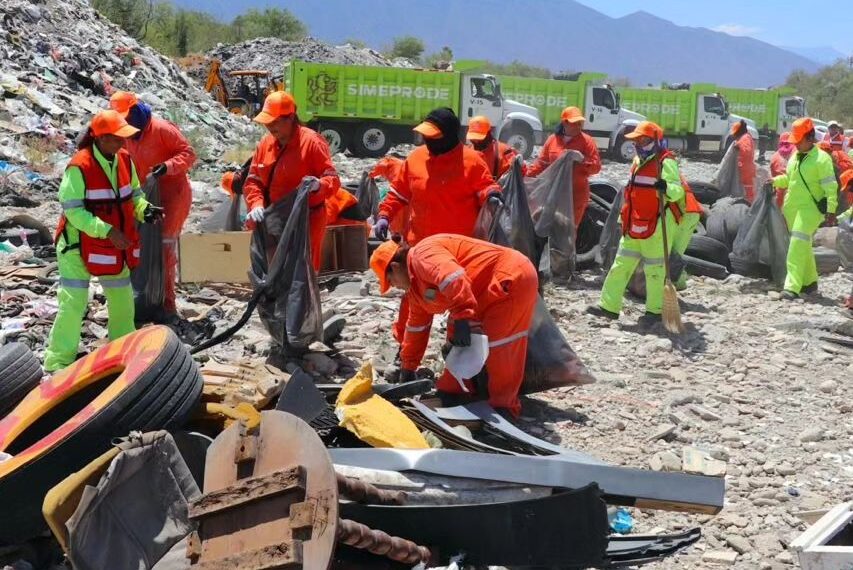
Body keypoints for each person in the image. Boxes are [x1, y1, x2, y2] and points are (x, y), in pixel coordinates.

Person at [374, 107, 501, 359]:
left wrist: (492, 195)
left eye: (433, 137)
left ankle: (456, 357)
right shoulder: (415, 159)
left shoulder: (472, 161)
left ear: (449, 136)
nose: (428, 141)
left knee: (460, 302)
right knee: (413, 306)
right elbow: (398, 193)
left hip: (457, 255)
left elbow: (486, 186)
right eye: (426, 136)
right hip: (418, 252)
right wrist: (384, 215)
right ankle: (404, 352)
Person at [43, 111, 162, 372]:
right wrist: (107, 230)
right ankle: (57, 362)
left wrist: (145, 210)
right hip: (76, 246)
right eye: (117, 138)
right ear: (100, 138)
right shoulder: (80, 166)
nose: (122, 142)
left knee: (122, 301)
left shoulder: (124, 160)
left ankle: (123, 356)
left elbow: (134, 196)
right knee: (74, 303)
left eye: (123, 137)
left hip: (110, 246)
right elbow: (73, 211)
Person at [370, 235, 538, 417]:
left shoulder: (423, 256)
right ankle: (455, 390)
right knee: (456, 333)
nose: (394, 286)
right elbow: (417, 327)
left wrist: (463, 316)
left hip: (510, 276)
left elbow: (454, 278)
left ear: (395, 267)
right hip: (479, 291)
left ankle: (504, 407)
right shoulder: (415, 286)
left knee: (500, 344)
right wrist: (408, 367)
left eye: (391, 281)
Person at [109, 91, 196, 323]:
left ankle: (167, 305)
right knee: (140, 246)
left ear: (136, 110)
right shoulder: (126, 136)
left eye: (127, 117)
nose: (125, 122)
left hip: (173, 196)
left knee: (164, 249)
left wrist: (167, 166)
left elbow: (188, 154)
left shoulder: (162, 129)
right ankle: (144, 300)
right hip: (143, 198)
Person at [587, 121, 685, 323]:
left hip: (656, 226)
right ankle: (608, 307)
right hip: (633, 225)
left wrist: (665, 187)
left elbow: (677, 192)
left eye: (643, 140)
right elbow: (631, 194)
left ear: (654, 141)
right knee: (620, 266)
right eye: (637, 140)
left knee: (654, 271)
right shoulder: (637, 162)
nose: (638, 144)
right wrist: (623, 219)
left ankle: (654, 312)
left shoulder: (666, 162)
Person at [243, 91, 340, 271]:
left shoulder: (312, 143)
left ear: (290, 118)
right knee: (272, 271)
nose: (269, 127)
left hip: (306, 221)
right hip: (274, 220)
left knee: (301, 273)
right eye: (267, 122)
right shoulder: (265, 144)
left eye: (274, 122)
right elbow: (253, 180)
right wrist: (256, 204)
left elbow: (332, 179)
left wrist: (319, 185)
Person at [772, 118, 838, 299]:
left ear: (809, 138)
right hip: (792, 210)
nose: (795, 144)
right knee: (803, 244)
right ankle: (809, 283)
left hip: (810, 211)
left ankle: (791, 286)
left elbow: (830, 186)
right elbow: (789, 179)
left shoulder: (822, 159)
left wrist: (831, 210)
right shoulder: (795, 156)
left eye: (798, 140)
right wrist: (774, 181)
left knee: (796, 245)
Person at [527, 106, 601, 228]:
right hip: (553, 193)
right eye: (574, 123)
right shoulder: (552, 140)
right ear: (564, 123)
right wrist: (524, 174)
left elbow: (596, 167)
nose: (578, 126)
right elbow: (541, 164)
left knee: (568, 229)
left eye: (580, 123)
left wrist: (582, 160)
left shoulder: (587, 141)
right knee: (547, 226)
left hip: (576, 195)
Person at [465, 115, 522, 179]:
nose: (476, 141)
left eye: (479, 138)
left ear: (488, 133)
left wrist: (518, 161)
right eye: (474, 138)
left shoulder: (503, 151)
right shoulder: (467, 151)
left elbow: (519, 172)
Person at [730, 119, 757, 203]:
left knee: (748, 187)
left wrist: (738, 145)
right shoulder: (745, 137)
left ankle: (749, 203)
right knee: (746, 186)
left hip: (747, 168)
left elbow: (747, 151)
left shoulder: (745, 138)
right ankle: (748, 201)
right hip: (745, 167)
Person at [771, 132, 794, 208]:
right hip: (791, 195)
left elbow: (772, 175)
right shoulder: (795, 155)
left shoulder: (774, 157)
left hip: (778, 194)